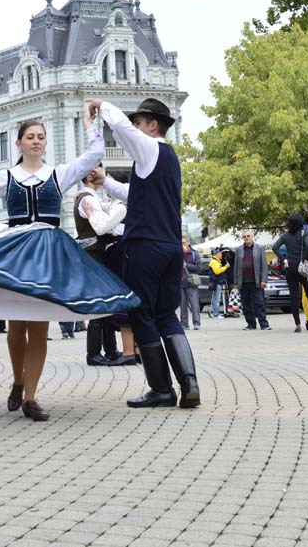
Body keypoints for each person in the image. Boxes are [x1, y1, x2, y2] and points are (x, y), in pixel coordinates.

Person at [0, 112, 137, 420]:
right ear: (19, 143)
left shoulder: (58, 173)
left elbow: (94, 155)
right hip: (18, 252)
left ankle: (30, 397)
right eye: (30, 137)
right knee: (17, 325)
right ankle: (18, 381)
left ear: (45, 143)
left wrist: (91, 126)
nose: (36, 141)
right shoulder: (6, 176)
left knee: (39, 325)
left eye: (41, 137)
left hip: (47, 254)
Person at [89, 97, 200, 409]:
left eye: (139, 122)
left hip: (146, 247)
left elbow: (121, 128)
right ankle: (190, 383)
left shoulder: (150, 148)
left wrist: (101, 105)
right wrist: (106, 182)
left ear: (152, 125)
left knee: (141, 314)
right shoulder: (167, 158)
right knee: (166, 315)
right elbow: (134, 194)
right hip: (171, 247)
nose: (134, 128)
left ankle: (162, 389)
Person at [74, 164, 135, 367]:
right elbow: (102, 228)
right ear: (91, 176)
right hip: (96, 256)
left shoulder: (94, 199)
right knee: (100, 304)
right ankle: (94, 353)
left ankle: (109, 350)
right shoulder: (88, 199)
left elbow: (107, 220)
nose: (103, 178)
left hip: (100, 254)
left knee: (106, 304)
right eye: (99, 172)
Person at [273, 213, 308, 332]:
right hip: (303, 268)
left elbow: (275, 247)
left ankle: (297, 324)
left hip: (290, 268)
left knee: (294, 296)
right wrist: (307, 260)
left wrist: (284, 259)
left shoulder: (285, 235)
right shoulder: (305, 233)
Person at [234, 230, 269, 330]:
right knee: (246, 304)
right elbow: (236, 266)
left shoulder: (259, 248)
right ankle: (251, 324)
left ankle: (264, 324)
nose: (246, 238)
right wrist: (236, 281)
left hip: (256, 281)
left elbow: (264, 265)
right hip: (243, 281)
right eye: (244, 236)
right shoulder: (239, 249)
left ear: (252, 236)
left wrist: (264, 280)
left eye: (248, 236)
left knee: (259, 303)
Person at [179, 236, 202, 330]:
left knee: (194, 304)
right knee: (182, 305)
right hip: (180, 282)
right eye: (181, 243)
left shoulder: (194, 254)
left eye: (184, 242)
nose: (182, 244)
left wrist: (187, 265)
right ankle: (184, 324)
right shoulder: (178, 254)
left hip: (191, 282)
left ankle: (196, 323)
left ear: (188, 243)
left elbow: (198, 268)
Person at [208, 249, 230, 319]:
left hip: (217, 282)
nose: (221, 255)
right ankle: (216, 314)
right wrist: (225, 267)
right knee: (217, 299)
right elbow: (217, 271)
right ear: (216, 254)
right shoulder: (214, 262)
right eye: (220, 254)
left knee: (216, 299)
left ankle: (216, 314)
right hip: (217, 282)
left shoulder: (217, 261)